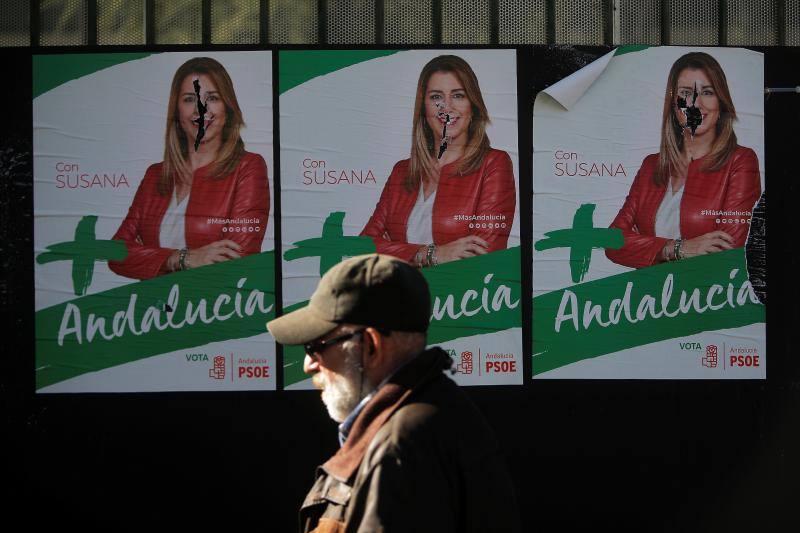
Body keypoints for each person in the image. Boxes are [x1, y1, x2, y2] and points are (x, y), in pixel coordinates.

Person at [267, 254, 520, 532]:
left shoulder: (400, 448)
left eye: (317, 345)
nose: (309, 364)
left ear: (371, 345)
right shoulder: (430, 417)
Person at [109, 57, 269, 280]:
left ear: (228, 107)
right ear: (176, 110)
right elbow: (117, 253)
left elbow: (238, 259)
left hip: (214, 310)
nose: (200, 110)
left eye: (212, 98)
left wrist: (148, 257)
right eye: (189, 99)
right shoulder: (155, 175)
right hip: (152, 312)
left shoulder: (248, 168)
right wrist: (181, 258)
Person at [605, 51, 761, 269]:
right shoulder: (652, 165)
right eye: (686, 93)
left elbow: (729, 249)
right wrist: (677, 248)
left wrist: (644, 246)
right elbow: (613, 242)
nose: (696, 104)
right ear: (673, 103)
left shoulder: (741, 161)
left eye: (707, 92)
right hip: (648, 298)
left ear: (721, 101)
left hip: (704, 298)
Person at [360, 55, 516, 268]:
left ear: (473, 105)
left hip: (460, 299)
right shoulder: (402, 171)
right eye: (436, 97)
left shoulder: (494, 164)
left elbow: (484, 255)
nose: (446, 106)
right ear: (424, 108)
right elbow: (362, 248)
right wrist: (430, 254)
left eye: (458, 95)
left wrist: (394, 251)